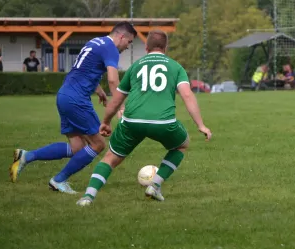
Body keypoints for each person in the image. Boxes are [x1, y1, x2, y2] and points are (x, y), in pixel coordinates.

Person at [76, 29, 212, 206]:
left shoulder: (135, 66)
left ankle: (88, 197)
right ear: (165, 47)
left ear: (146, 47)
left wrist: (106, 122)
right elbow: (187, 95)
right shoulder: (175, 66)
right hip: (163, 122)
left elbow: (117, 99)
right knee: (181, 145)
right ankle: (155, 186)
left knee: (110, 158)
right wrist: (201, 125)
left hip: (132, 121)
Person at [9, 22, 137, 194]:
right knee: (98, 144)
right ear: (121, 36)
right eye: (129, 42)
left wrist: (99, 90)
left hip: (64, 96)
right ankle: (58, 180)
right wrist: (120, 106)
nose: (128, 47)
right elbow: (114, 80)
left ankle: (27, 156)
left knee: (77, 148)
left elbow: (84, 70)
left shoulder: (95, 42)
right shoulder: (111, 47)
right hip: (77, 100)